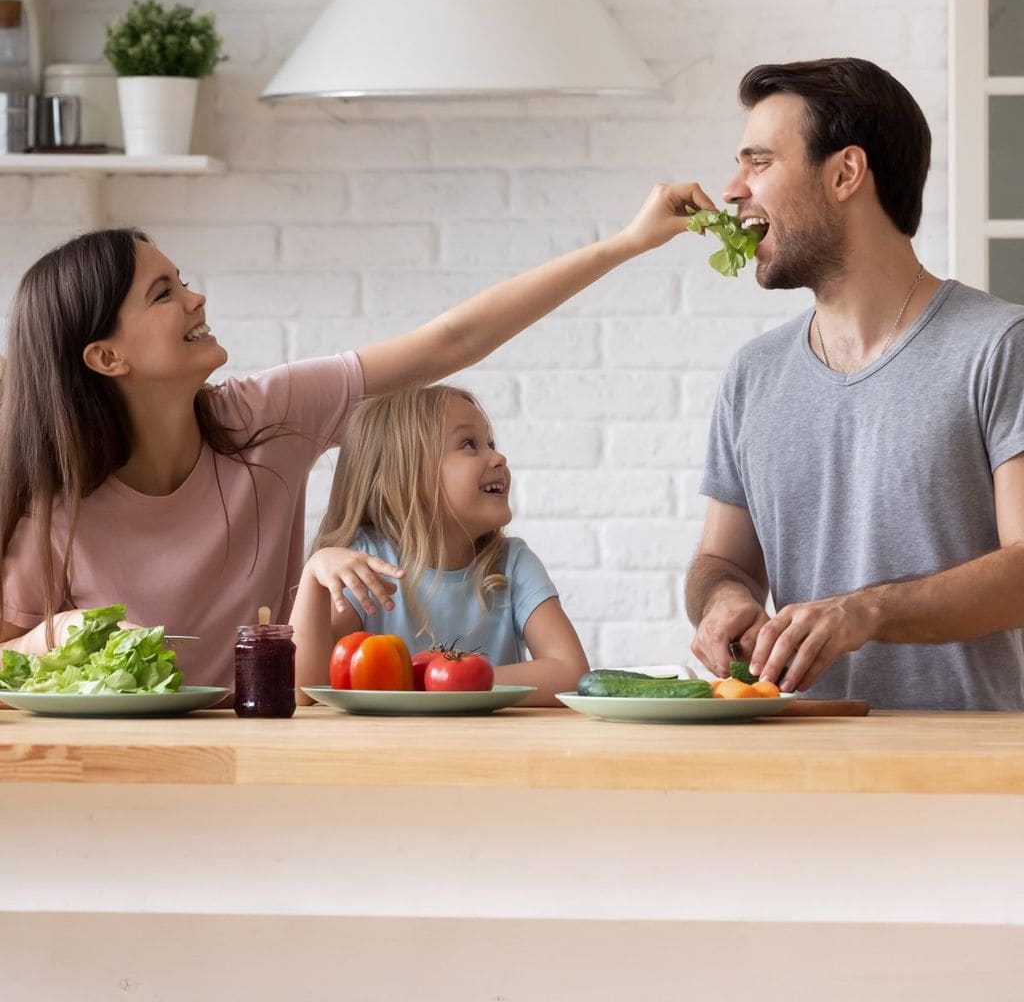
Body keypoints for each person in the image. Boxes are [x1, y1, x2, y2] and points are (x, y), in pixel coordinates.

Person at [0, 180, 713, 689]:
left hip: (267, 749)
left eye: (181, 279)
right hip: (126, 774)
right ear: (106, 358)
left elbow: (450, 341)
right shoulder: (53, 506)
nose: (196, 297)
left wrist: (626, 243)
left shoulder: (264, 418)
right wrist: (49, 637)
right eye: (164, 294)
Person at [685, 57, 1024, 711]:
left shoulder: (999, 347)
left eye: (759, 163)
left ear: (845, 173)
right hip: (801, 765)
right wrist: (725, 601)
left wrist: (866, 613)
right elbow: (720, 562)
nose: (732, 190)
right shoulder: (753, 374)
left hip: (972, 776)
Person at [291, 384, 586, 705]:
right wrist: (313, 576)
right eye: (470, 445)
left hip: (494, 749)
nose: (499, 457)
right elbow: (304, 689)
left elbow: (569, 673)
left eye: (490, 443)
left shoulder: (513, 563)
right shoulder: (365, 562)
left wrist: (437, 681)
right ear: (405, 478)